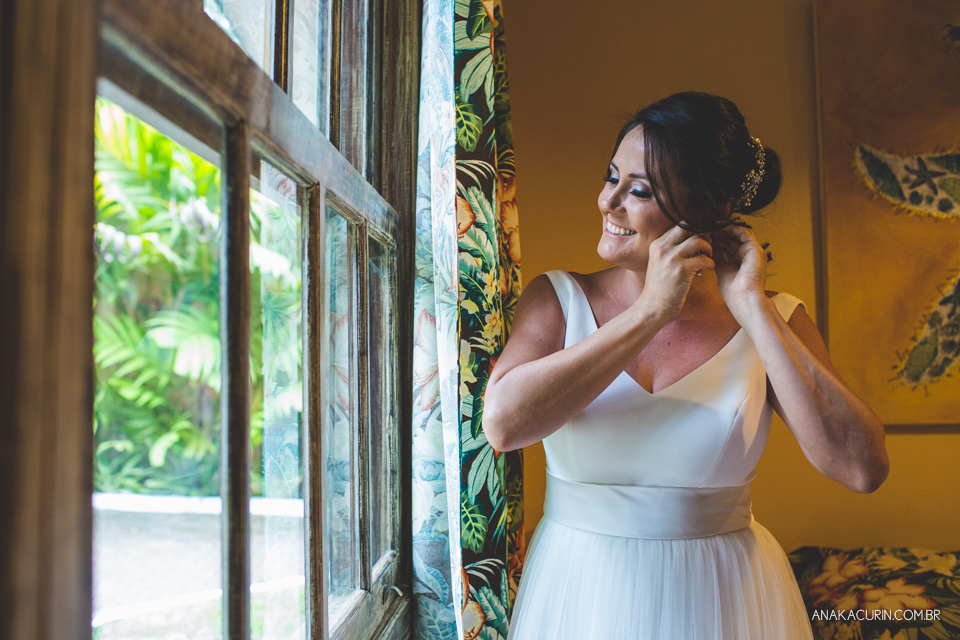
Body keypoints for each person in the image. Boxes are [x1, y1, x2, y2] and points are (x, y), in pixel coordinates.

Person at [482, 91, 889, 639]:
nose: (609, 201)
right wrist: (651, 311)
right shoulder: (555, 299)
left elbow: (862, 470)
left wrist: (753, 309)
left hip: (722, 601)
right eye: (611, 176)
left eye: (641, 190)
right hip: (581, 595)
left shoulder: (776, 320)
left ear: (712, 210)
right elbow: (504, 425)